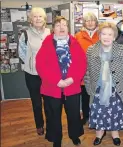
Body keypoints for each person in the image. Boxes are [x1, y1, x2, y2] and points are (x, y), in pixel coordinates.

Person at [36, 16, 86, 147]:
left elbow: (82, 64)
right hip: (52, 88)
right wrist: (56, 81)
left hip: (72, 87)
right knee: (52, 115)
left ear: (68, 28)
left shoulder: (75, 43)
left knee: (74, 114)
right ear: (53, 29)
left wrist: (72, 79)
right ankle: (56, 138)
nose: (62, 27)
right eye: (58, 25)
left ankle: (75, 135)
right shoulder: (46, 43)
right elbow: (40, 66)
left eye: (64, 25)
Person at [84, 22, 123, 146]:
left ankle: (115, 134)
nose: (106, 37)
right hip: (98, 89)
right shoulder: (91, 50)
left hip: (116, 89)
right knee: (99, 112)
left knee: (114, 113)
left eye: (109, 34)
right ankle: (99, 133)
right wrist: (88, 87)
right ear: (99, 35)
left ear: (114, 37)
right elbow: (86, 71)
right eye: (103, 34)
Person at [18, 7, 50, 136]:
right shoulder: (25, 34)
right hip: (32, 74)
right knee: (36, 103)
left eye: (40, 16)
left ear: (44, 19)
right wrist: (32, 64)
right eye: (35, 16)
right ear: (31, 19)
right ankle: (39, 125)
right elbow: (22, 53)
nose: (38, 19)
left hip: (48, 75)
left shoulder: (50, 32)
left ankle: (50, 124)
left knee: (49, 102)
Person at [74, 12, 99, 125]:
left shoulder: (100, 35)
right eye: (87, 20)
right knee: (85, 97)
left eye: (92, 20)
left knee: (96, 96)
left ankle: (96, 117)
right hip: (83, 72)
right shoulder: (78, 36)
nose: (90, 22)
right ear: (84, 22)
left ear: (96, 22)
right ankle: (85, 116)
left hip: (97, 71)